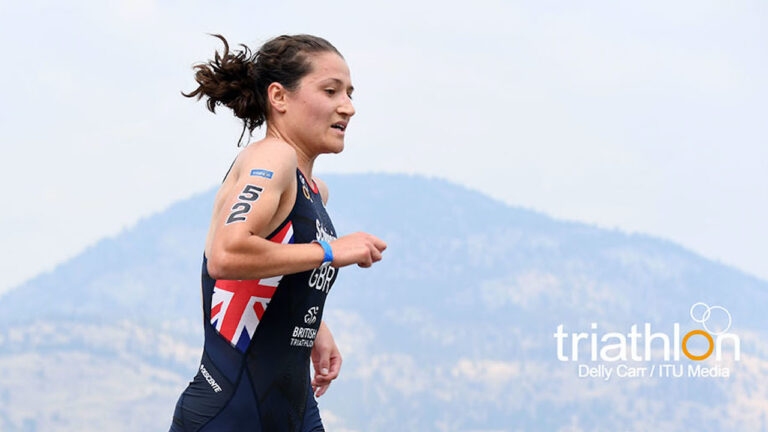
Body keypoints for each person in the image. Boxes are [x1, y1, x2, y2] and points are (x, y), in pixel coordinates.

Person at [169, 34, 387, 432]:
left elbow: (269, 274)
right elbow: (226, 254)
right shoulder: (272, 157)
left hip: (294, 411)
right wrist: (329, 251)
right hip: (230, 414)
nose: (348, 107)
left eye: (350, 93)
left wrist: (313, 326)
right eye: (331, 91)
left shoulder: (314, 191)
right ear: (279, 97)